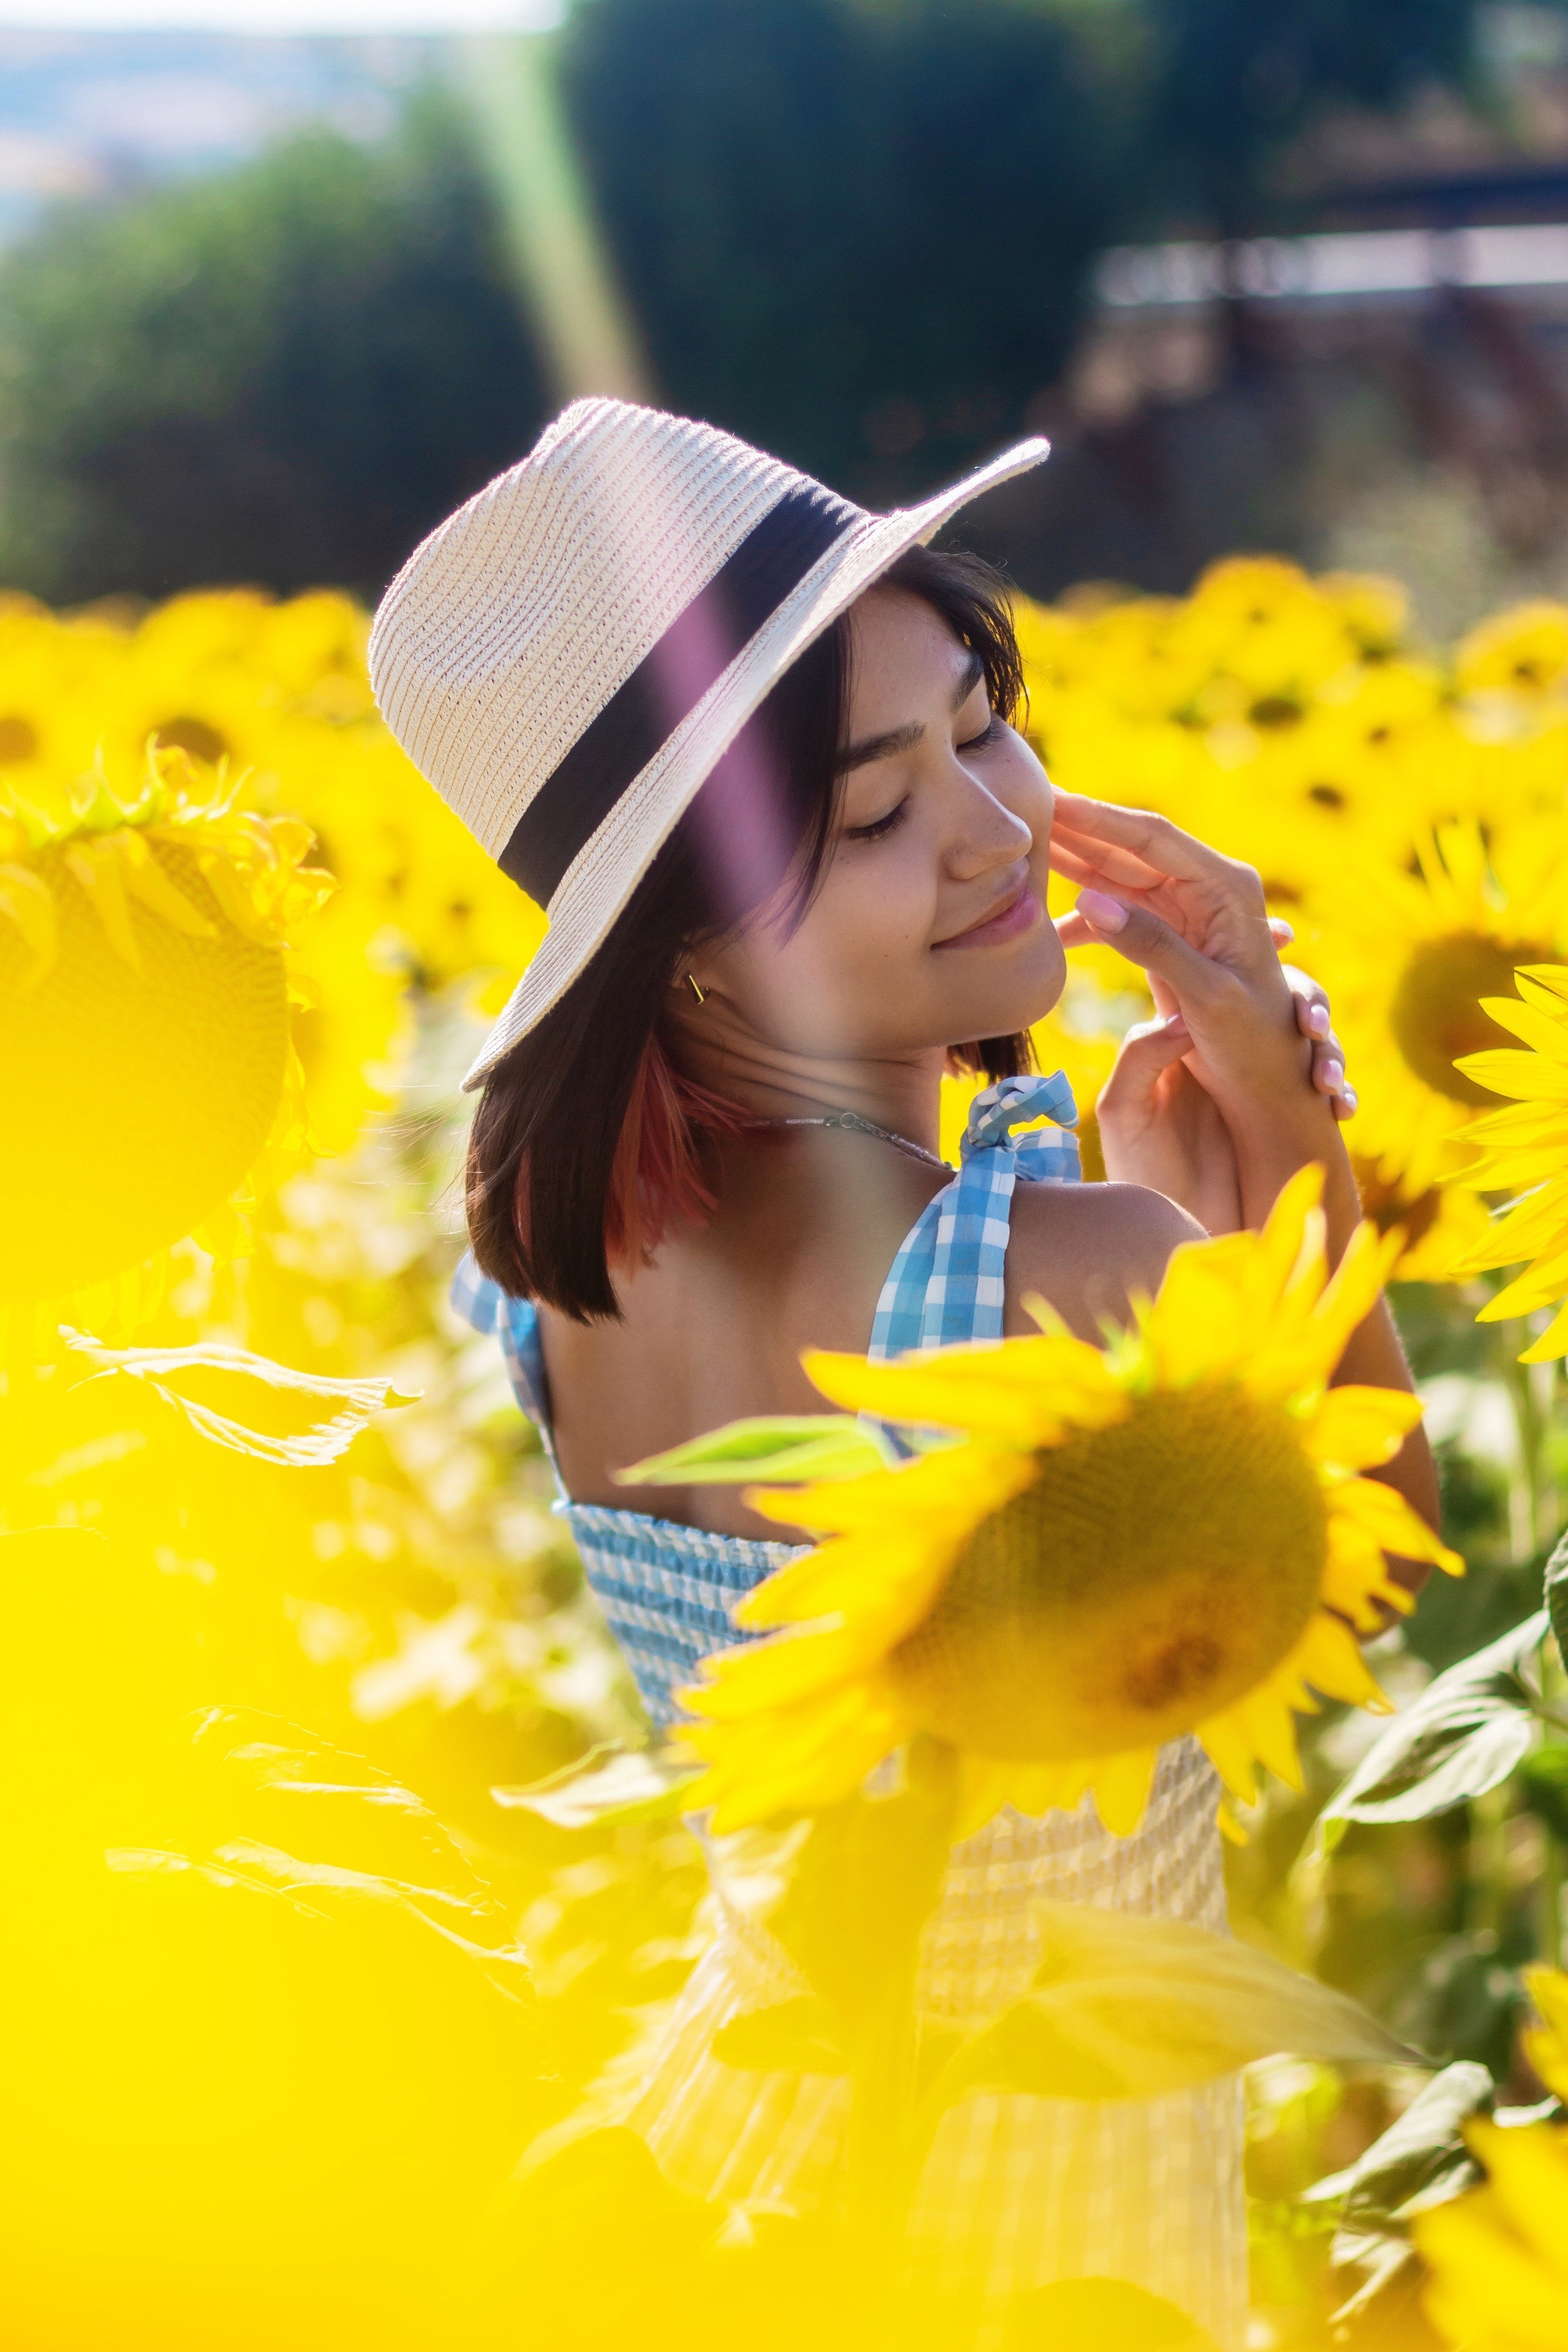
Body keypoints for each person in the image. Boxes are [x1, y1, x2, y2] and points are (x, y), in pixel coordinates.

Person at [370, 398, 1438, 2347]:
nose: (994, 825)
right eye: (872, 814)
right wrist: (1282, 1125)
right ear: (680, 946)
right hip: (1041, 2219)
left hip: (738, 2167)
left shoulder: (565, 1277)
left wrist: (1167, 1256)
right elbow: (1373, 1565)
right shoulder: (1067, 1267)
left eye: (979, 721)